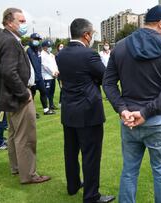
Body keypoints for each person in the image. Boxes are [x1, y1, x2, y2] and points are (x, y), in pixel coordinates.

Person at [103, 5, 161, 203]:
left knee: (129, 171)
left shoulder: (120, 46)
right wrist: (140, 112)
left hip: (130, 120)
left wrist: (123, 109)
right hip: (156, 121)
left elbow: (108, 83)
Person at [56, 18, 114, 203]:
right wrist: (93, 81)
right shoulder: (89, 55)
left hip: (69, 110)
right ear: (86, 35)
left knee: (71, 152)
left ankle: (73, 186)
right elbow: (106, 76)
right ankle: (91, 196)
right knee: (91, 155)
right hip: (88, 112)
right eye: (92, 34)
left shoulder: (61, 54)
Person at [0, 7, 50, 184]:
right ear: (9, 22)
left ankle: (17, 168)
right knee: (25, 137)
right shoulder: (10, 41)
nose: (24, 24)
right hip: (17, 96)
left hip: (8, 95)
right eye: (21, 21)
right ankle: (28, 174)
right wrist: (24, 94)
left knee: (13, 134)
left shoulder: (4, 38)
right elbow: (8, 71)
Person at [27, 33, 55, 115]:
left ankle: (46, 110)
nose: (37, 41)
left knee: (44, 92)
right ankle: (32, 112)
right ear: (31, 39)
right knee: (32, 95)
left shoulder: (38, 49)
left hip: (40, 77)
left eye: (38, 39)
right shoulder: (27, 49)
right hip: (31, 77)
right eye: (35, 39)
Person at [41, 39, 59, 111]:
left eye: (50, 46)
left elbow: (54, 64)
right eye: (48, 46)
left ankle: (51, 105)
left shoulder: (51, 55)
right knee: (46, 92)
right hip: (47, 77)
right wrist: (53, 73)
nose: (49, 47)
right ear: (44, 47)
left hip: (53, 76)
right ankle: (47, 106)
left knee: (52, 92)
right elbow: (45, 66)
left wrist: (56, 71)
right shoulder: (42, 55)